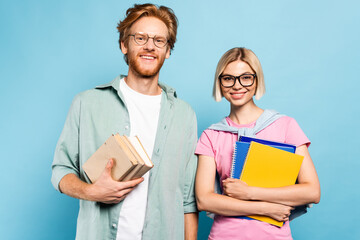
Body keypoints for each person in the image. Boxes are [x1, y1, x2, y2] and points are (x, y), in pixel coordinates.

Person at [51, 4, 198, 240]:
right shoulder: (86, 104)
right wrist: (91, 191)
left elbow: (188, 200)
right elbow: (61, 170)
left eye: (159, 40)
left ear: (168, 50)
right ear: (124, 45)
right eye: (140, 38)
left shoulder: (184, 114)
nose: (150, 46)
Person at [195, 47, 320, 240]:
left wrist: (249, 192)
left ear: (257, 80)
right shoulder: (211, 135)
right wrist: (264, 208)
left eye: (245, 77)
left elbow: (312, 191)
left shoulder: (285, 126)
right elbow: (204, 200)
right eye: (228, 78)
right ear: (219, 83)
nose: (237, 86)